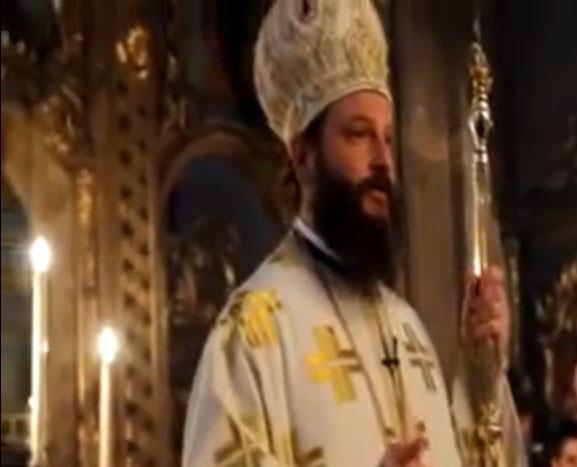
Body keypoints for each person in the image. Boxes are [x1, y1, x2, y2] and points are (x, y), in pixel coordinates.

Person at [181, 1, 525, 466]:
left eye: (387, 137)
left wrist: (480, 371)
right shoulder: (253, 332)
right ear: (303, 155)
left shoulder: (406, 328)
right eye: (359, 135)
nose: (383, 160)